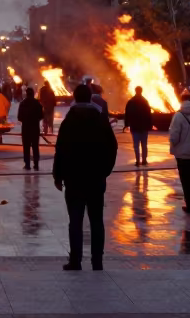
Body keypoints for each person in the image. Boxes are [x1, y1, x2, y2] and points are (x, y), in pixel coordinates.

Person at [53, 84, 118, 271]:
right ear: (90, 98)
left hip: (74, 179)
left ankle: (75, 260)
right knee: (96, 220)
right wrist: (105, 170)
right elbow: (112, 147)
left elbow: (60, 149)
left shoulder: (69, 121)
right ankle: (97, 261)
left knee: (75, 220)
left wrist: (58, 175)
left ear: (74, 97)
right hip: (96, 178)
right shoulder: (100, 120)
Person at [123, 86, 152, 167]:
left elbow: (127, 114)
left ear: (135, 91)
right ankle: (144, 160)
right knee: (144, 144)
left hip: (134, 126)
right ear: (141, 91)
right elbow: (149, 114)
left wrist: (126, 124)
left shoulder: (131, 101)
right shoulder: (145, 101)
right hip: (144, 127)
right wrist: (150, 125)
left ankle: (137, 161)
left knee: (136, 145)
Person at [17, 87, 44, 170]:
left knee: (26, 146)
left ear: (26, 94)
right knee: (35, 146)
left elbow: (19, 117)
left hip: (26, 128)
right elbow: (41, 116)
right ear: (33, 94)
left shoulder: (23, 103)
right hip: (35, 128)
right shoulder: (37, 103)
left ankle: (27, 164)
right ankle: (36, 164)